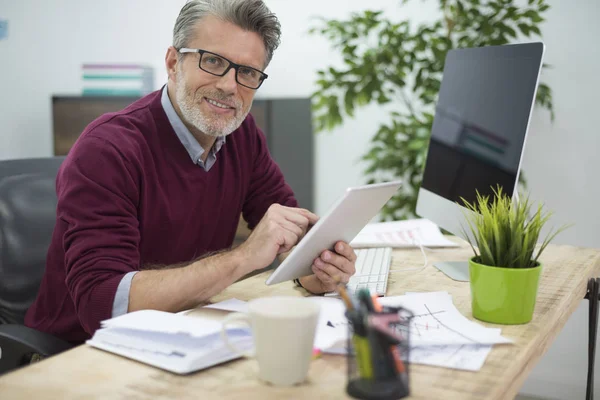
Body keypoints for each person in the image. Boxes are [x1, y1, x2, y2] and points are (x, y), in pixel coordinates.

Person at [25, 0, 356, 343]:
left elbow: (290, 227)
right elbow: (102, 306)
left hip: (187, 332)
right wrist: (242, 258)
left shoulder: (241, 135)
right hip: (81, 352)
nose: (230, 86)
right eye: (212, 61)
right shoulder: (108, 150)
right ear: (173, 63)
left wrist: (315, 271)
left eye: (247, 72)